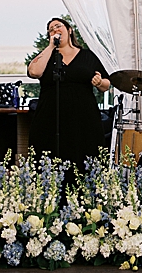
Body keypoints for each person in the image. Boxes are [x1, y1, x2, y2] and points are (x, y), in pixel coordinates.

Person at [28, 16, 112, 166]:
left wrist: (99, 82)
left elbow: (106, 84)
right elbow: (34, 71)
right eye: (51, 30)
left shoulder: (87, 56)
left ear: (69, 30)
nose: (55, 30)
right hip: (50, 116)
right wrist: (51, 47)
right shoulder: (47, 56)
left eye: (58, 26)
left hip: (83, 118)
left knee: (84, 156)